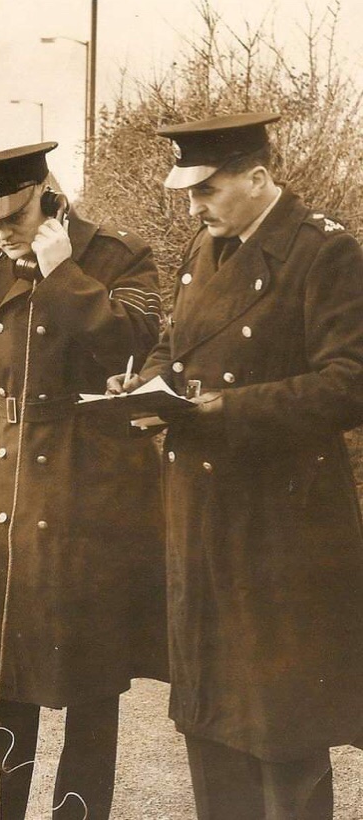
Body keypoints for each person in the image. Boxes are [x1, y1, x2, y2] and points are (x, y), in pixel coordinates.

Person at [108, 112, 363, 819]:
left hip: (284, 527)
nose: (195, 206)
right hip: (204, 518)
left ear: (258, 177)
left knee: (283, 730)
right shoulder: (203, 249)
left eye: (208, 190)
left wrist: (229, 411)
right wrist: (148, 385)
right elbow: (174, 346)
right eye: (189, 193)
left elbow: (351, 381)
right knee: (212, 718)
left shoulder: (323, 251)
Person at [0, 142, 168, 819]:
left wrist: (62, 272)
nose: (0, 230)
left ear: (49, 195)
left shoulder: (119, 256)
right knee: (4, 679)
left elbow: (134, 346)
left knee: (91, 689)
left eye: (12, 217)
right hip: (12, 489)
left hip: (92, 490)